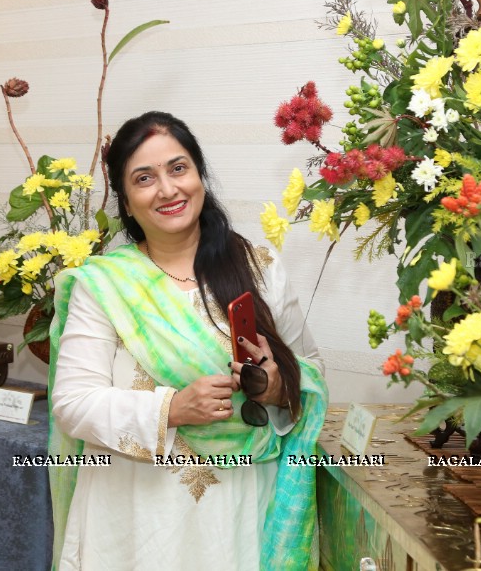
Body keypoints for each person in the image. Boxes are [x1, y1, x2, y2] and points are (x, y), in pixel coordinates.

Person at [48, 111, 328, 571]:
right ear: (127, 199)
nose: (168, 189)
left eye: (178, 168)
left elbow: (311, 370)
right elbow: (72, 403)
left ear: (200, 174)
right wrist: (171, 410)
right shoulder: (105, 285)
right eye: (145, 178)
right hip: (136, 516)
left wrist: (278, 388)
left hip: (238, 510)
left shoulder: (258, 267)